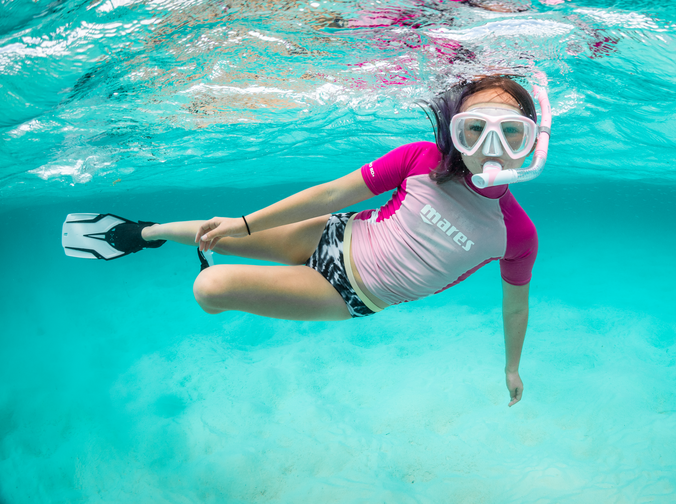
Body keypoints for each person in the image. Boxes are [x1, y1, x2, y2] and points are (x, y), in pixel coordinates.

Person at [62, 76, 552, 406]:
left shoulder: (517, 233)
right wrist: (246, 223)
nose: (491, 149)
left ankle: (212, 261)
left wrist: (512, 367)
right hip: (333, 232)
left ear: (533, 142)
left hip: (351, 295)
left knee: (209, 290)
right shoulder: (421, 158)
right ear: (454, 132)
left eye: (511, 133)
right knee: (222, 229)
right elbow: (331, 193)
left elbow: (514, 308)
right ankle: (141, 233)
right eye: (474, 131)